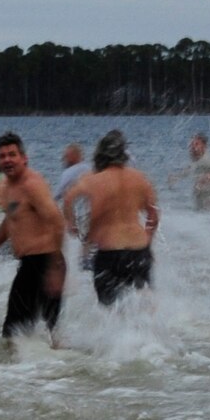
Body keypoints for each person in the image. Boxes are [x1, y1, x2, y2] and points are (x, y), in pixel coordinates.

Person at [0, 132, 68, 345]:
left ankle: (31, 372)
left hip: (45, 262)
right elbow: (10, 221)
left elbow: (57, 221)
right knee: (33, 332)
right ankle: (42, 371)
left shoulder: (32, 185)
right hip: (31, 265)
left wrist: (55, 267)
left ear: (24, 158)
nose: (7, 160)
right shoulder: (9, 186)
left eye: (12, 155)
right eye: (2, 156)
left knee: (16, 332)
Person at [62, 129, 159, 306]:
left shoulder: (93, 179)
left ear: (99, 155)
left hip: (110, 253)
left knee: (110, 311)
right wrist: (148, 241)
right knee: (146, 305)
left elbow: (69, 198)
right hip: (139, 250)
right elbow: (153, 215)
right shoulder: (140, 178)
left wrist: (72, 224)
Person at [56, 143, 92, 267]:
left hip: (86, 213)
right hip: (97, 209)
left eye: (65, 156)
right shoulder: (89, 168)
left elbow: (58, 196)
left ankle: (84, 266)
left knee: (87, 242)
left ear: (73, 157)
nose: (63, 159)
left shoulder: (69, 172)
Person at [168, 133, 210, 213]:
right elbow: (190, 169)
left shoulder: (208, 160)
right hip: (201, 207)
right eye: (191, 144)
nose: (193, 147)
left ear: (204, 146)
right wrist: (176, 177)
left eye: (196, 144)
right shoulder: (196, 160)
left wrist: (208, 178)